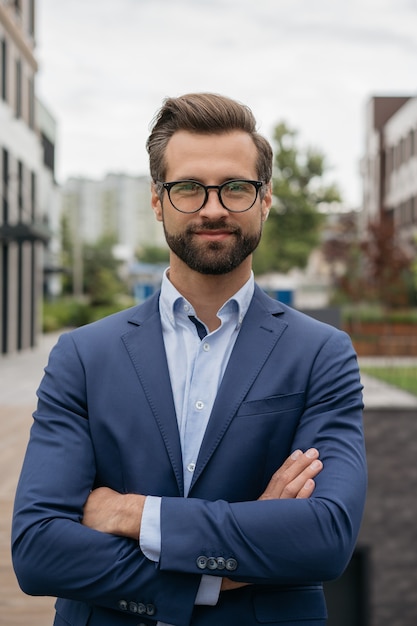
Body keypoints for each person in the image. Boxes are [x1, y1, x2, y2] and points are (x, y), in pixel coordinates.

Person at [12, 93, 367, 626]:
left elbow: (325, 538)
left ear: (264, 200)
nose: (213, 208)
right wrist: (220, 571)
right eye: (188, 189)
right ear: (158, 202)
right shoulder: (83, 355)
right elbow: (39, 550)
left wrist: (134, 513)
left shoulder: (322, 354)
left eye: (236, 188)